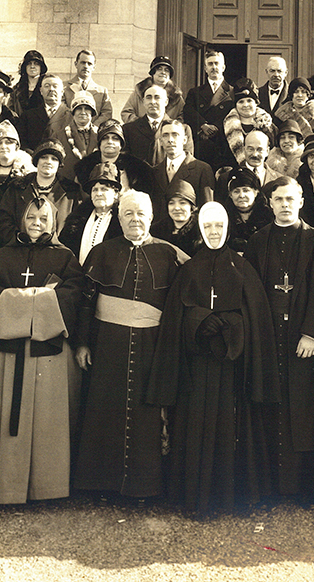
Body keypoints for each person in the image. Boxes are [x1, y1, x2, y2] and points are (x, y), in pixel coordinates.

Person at [147, 201, 280, 517]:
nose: (214, 232)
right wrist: (198, 322)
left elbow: (256, 319)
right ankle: (195, 497)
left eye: (219, 226)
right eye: (208, 226)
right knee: (195, 428)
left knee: (234, 428)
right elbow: (175, 322)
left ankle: (231, 499)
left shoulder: (243, 268)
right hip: (197, 370)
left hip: (233, 370)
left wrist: (231, 326)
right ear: (201, 230)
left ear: (228, 228)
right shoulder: (188, 270)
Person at [0, 197, 84, 504]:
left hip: (48, 355)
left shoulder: (65, 257)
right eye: (31, 217)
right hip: (2, 355)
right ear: (20, 219)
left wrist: (22, 302)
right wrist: (37, 299)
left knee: (47, 423)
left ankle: (47, 488)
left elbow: (75, 295)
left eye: (43, 218)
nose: (36, 223)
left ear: (53, 222)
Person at [74, 191, 186, 500]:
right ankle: (101, 484)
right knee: (104, 409)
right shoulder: (102, 252)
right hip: (108, 346)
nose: (135, 219)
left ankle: (145, 485)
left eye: (140, 214)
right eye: (128, 214)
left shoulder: (170, 254)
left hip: (153, 346)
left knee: (147, 415)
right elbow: (86, 302)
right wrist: (82, 343)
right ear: (118, 218)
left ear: (151, 217)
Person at [244, 177, 314, 497]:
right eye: (278, 199)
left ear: (301, 200)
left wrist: (310, 333)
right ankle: (269, 483)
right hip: (268, 334)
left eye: (290, 199)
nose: (284, 205)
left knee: (302, 405)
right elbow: (251, 291)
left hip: (301, 337)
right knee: (272, 401)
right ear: (270, 203)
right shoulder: (258, 240)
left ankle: (301, 485)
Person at [0, 140, 84, 248]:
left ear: (59, 164)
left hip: (56, 255)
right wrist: (19, 240)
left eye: (54, 159)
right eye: (44, 157)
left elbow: (76, 227)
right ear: (37, 161)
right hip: (18, 251)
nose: (48, 162)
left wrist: (59, 249)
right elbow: (3, 221)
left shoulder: (71, 193)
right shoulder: (17, 188)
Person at [58, 162, 123, 264]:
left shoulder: (121, 221)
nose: (98, 194)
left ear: (115, 193)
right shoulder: (77, 219)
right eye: (95, 190)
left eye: (104, 189)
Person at [74, 119, 155, 197]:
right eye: (105, 138)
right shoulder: (84, 168)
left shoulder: (139, 169)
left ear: (121, 145)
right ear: (99, 143)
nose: (110, 141)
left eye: (115, 138)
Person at [183, 50, 234, 170]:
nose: (214, 67)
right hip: (202, 145)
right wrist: (203, 125)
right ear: (205, 68)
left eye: (217, 63)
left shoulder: (232, 92)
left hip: (223, 145)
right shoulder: (195, 92)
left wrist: (216, 127)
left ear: (223, 67)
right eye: (210, 64)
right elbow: (188, 112)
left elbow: (234, 115)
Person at [151, 119, 215, 213]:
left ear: (184, 140)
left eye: (175, 135)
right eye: (165, 135)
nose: (170, 140)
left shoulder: (202, 169)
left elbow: (207, 210)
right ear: (160, 141)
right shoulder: (155, 172)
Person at [224, 80, 275, 167]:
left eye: (249, 101)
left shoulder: (268, 125)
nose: (245, 105)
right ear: (235, 105)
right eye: (241, 102)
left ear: (256, 103)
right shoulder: (226, 126)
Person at [120, 55, 185, 124]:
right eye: (159, 69)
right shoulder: (140, 92)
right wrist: (140, 125)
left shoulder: (176, 96)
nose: (163, 72)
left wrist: (171, 126)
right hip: (141, 132)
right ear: (153, 72)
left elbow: (183, 116)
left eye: (166, 70)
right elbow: (126, 113)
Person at [223, 167, 273, 253]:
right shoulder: (223, 217)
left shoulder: (269, 216)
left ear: (256, 192)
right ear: (230, 195)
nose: (241, 195)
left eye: (246, 190)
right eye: (236, 191)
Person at [16, 74, 71, 152]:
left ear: (62, 92)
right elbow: (22, 142)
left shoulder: (71, 116)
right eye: (47, 86)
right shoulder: (28, 116)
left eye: (55, 86)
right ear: (41, 91)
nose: (51, 89)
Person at [123, 84, 172, 166]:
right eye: (149, 98)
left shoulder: (181, 129)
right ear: (143, 102)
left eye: (157, 97)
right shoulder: (128, 129)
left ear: (166, 102)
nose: (152, 102)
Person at [150, 180, 203, 256]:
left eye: (182, 203)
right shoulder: (156, 231)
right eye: (171, 203)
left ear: (192, 207)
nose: (177, 208)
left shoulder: (200, 232)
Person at [57, 90, 99, 182]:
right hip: (68, 184)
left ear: (92, 113)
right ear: (73, 112)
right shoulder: (59, 135)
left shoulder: (100, 135)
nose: (83, 112)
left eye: (87, 108)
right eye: (79, 108)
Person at [63, 49, 112, 125]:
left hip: (94, 134)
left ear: (94, 67)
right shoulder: (64, 87)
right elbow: (61, 111)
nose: (86, 66)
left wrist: (92, 127)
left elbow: (107, 114)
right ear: (76, 64)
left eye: (89, 64)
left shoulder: (102, 91)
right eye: (83, 63)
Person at [8, 49, 47, 117]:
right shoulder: (16, 90)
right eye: (29, 64)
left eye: (36, 64)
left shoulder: (47, 87)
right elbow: (10, 110)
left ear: (41, 67)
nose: (32, 66)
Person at [257, 56, 289, 121]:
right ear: (266, 72)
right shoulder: (257, 93)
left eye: (279, 71)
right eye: (272, 71)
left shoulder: (291, 94)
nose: (276, 75)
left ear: (286, 73)